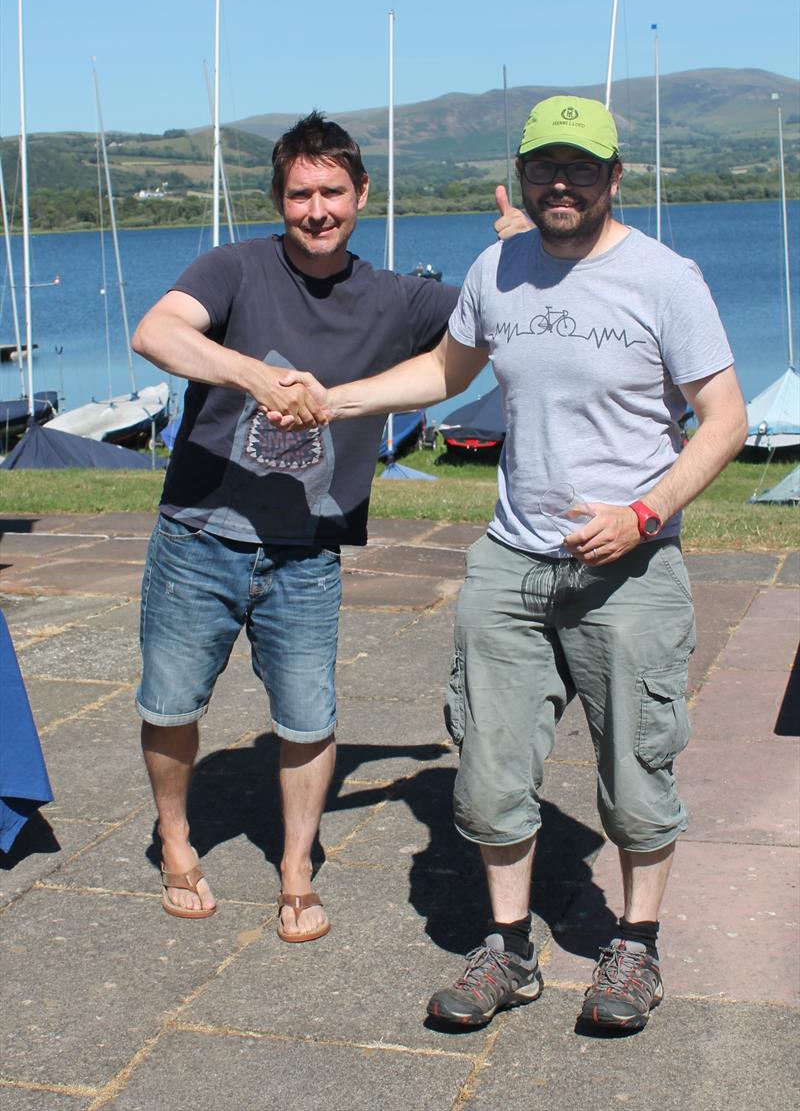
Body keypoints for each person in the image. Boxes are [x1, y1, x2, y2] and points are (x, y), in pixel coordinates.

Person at [271, 96, 747, 1027]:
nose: (559, 183)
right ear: (523, 175)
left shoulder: (666, 278)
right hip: (511, 562)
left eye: (579, 167)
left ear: (615, 176)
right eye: (543, 167)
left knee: (638, 768)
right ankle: (508, 950)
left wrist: (644, 513)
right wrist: (337, 396)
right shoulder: (499, 266)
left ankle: (634, 949)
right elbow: (449, 372)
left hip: (630, 569)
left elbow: (725, 420)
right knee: (487, 769)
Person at [130, 111, 462, 939]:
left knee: (309, 718)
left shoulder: (397, 297)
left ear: (362, 195)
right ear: (279, 198)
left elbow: (495, 323)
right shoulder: (233, 268)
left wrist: (521, 245)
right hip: (198, 535)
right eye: (300, 193)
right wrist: (251, 376)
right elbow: (155, 332)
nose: (318, 209)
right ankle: (175, 839)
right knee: (171, 701)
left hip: (307, 550)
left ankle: (296, 866)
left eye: (333, 192)